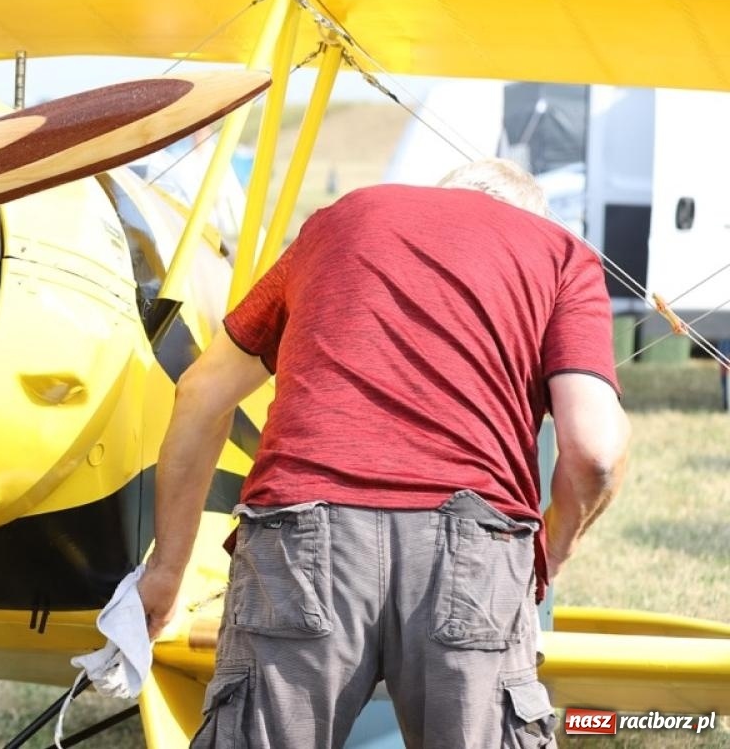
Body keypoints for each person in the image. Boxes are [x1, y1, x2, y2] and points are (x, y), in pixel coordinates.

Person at [138, 159, 631, 748]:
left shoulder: (342, 219)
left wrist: (165, 575)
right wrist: (552, 550)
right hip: (474, 552)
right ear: (528, 216)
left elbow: (199, 395)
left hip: (302, 535)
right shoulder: (558, 252)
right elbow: (596, 452)